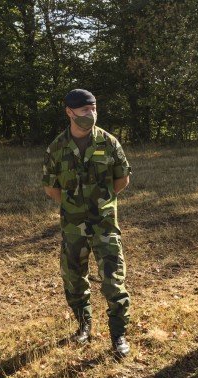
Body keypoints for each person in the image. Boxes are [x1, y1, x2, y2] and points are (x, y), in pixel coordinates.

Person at [43, 89, 132, 358]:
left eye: (93, 109)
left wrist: (101, 202)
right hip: (72, 225)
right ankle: (84, 324)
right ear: (69, 112)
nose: (90, 115)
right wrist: (76, 206)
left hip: (104, 223)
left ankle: (118, 334)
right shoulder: (57, 148)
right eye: (84, 111)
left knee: (113, 280)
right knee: (73, 278)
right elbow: (52, 188)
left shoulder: (108, 142)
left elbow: (122, 179)